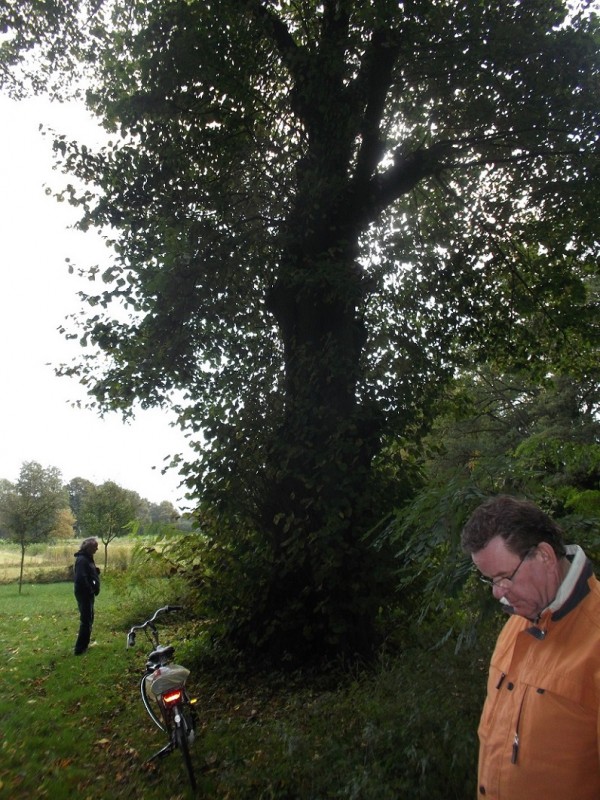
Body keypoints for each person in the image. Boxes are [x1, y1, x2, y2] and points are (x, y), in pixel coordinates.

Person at [461, 495, 600, 799]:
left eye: (504, 577)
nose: (499, 593)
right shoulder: (515, 625)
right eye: (491, 581)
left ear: (545, 557)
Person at [73, 537, 101, 656]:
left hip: (87, 593)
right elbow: (81, 578)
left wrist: (95, 571)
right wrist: (90, 589)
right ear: (88, 547)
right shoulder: (82, 560)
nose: (97, 549)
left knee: (89, 618)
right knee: (86, 620)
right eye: (95, 546)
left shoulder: (87, 558)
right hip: (84, 594)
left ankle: (85, 645)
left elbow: (87, 573)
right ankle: (80, 649)